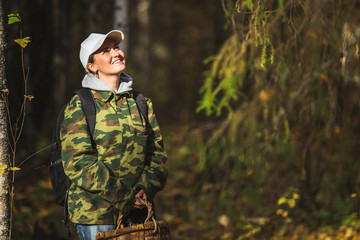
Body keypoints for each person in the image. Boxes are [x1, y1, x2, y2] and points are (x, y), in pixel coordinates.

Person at [60, 30, 168, 240]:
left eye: (116, 48)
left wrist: (145, 189)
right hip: (95, 215)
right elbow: (78, 161)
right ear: (92, 66)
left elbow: (157, 154)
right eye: (105, 51)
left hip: (138, 212)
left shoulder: (141, 103)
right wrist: (123, 197)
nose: (116, 53)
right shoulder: (81, 104)